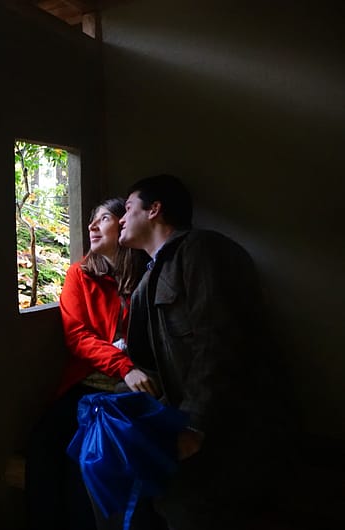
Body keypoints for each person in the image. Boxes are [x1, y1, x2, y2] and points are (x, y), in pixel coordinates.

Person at [118, 174, 288, 530]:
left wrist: (195, 423)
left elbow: (220, 340)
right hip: (185, 432)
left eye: (129, 207)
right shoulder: (147, 280)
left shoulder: (202, 250)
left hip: (224, 435)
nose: (120, 217)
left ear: (155, 210)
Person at [25, 197, 157, 530]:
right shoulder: (79, 275)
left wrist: (131, 369)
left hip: (127, 390)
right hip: (86, 384)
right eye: (91, 220)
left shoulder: (146, 273)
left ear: (123, 223)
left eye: (103, 219)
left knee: (87, 459)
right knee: (43, 445)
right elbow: (78, 338)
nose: (92, 226)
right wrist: (125, 365)